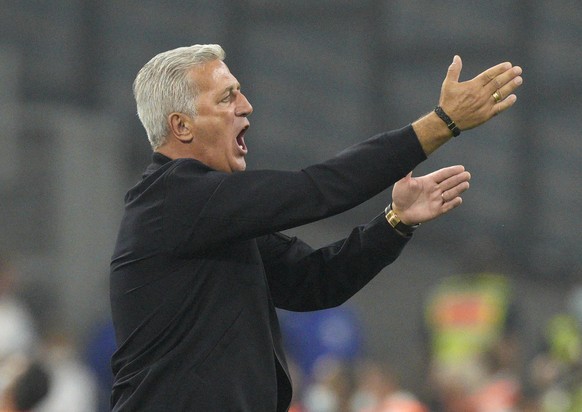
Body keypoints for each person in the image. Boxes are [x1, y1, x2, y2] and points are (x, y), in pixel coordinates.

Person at [109, 44, 523, 411]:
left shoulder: (211, 217)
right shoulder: (175, 200)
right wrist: (440, 123)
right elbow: (316, 189)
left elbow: (315, 281)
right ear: (181, 126)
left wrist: (395, 222)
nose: (246, 105)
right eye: (227, 97)